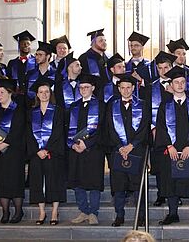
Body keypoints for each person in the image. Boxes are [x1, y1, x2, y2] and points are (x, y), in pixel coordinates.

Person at [156, 66, 189, 226]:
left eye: (183, 82)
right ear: (171, 84)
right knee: (171, 182)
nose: (180, 85)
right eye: (176, 82)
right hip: (171, 151)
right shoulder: (165, 105)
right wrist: (169, 146)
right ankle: (172, 214)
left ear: (186, 84)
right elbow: (161, 127)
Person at [106, 73, 149, 227]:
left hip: (136, 150)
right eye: (122, 88)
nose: (125, 90)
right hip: (118, 151)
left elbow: (144, 128)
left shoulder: (143, 104)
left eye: (128, 87)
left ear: (133, 88)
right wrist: (120, 147)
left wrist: (132, 145)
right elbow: (109, 128)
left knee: (137, 185)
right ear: (118, 88)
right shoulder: (112, 105)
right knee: (119, 185)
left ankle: (142, 215)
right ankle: (119, 215)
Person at [67, 74, 106, 226]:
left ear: (93, 88)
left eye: (87, 87)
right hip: (76, 150)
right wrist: (72, 144)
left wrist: (87, 144)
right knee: (77, 181)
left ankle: (93, 213)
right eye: (81, 87)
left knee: (94, 181)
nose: (83, 89)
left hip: (94, 150)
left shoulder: (101, 105)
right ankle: (83, 210)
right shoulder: (73, 106)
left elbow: (103, 129)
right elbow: (67, 129)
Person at [26, 77, 66, 225]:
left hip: (53, 153)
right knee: (37, 181)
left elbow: (58, 132)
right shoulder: (31, 112)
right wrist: (37, 150)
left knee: (54, 180)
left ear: (51, 93)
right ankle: (42, 211)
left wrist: (47, 149)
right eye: (41, 92)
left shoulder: (58, 111)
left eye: (47, 92)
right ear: (37, 94)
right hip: (36, 153)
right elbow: (28, 134)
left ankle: (55, 211)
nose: (44, 94)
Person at [0, 77, 26, 224]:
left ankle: (18, 211)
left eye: (2, 92)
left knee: (14, 181)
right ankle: (5, 212)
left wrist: (3, 145)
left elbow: (18, 131)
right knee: (1, 181)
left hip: (14, 151)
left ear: (10, 93)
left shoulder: (18, 110)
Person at [147, 50, 176, 206]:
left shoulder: (178, 85)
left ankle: (175, 195)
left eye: (166, 67)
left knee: (174, 164)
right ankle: (161, 194)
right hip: (156, 132)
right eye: (160, 68)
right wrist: (152, 128)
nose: (163, 71)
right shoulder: (151, 87)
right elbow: (147, 111)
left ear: (171, 67)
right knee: (159, 165)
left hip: (175, 132)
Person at [78, 29, 110, 96]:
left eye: (105, 40)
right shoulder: (84, 58)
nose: (104, 43)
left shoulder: (108, 58)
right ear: (93, 42)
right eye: (101, 41)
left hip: (108, 95)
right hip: (93, 95)